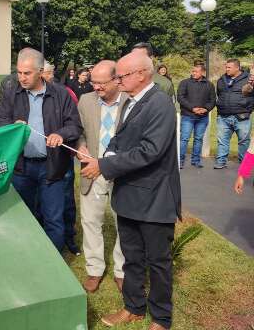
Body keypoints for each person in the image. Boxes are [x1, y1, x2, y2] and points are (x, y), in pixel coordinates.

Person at [80, 52, 181, 330]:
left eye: (122, 75)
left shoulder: (159, 103)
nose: (119, 80)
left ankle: (161, 318)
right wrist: (108, 153)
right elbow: (120, 138)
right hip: (129, 194)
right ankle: (133, 307)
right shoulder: (132, 102)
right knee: (132, 257)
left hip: (154, 197)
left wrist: (105, 164)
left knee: (158, 262)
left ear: (141, 74)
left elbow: (151, 150)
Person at [0, 48, 82, 251]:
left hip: (51, 168)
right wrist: (11, 127)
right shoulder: (11, 93)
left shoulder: (60, 94)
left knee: (53, 219)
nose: (22, 78)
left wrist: (61, 134)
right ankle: (26, 257)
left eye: (27, 73)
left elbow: (75, 126)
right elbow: (1, 121)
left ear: (41, 71)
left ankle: (55, 266)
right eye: (19, 72)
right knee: (24, 216)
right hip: (21, 167)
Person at [76, 60, 127, 294]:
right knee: (90, 221)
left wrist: (105, 164)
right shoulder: (86, 101)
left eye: (100, 83)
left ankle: (122, 271)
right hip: (91, 171)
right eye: (93, 82)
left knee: (124, 223)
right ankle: (95, 270)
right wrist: (82, 146)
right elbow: (79, 131)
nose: (95, 87)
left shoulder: (131, 102)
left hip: (123, 173)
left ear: (117, 80)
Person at [43, 62, 80, 255]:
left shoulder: (66, 93)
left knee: (66, 199)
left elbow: (74, 124)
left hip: (61, 158)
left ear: (49, 74)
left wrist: (63, 136)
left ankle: (69, 237)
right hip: (43, 159)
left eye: (45, 74)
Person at [214, 58, 253, 169]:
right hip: (223, 116)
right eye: (226, 67)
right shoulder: (221, 80)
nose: (227, 69)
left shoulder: (249, 79)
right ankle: (221, 161)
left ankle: (244, 165)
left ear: (237, 67)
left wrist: (248, 108)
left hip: (242, 116)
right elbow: (219, 94)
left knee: (244, 141)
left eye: (229, 67)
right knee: (222, 140)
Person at [177, 63, 216, 168]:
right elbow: (180, 98)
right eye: (192, 71)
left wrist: (205, 109)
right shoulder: (184, 83)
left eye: (196, 71)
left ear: (202, 72)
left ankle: (196, 160)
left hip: (202, 117)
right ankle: (180, 160)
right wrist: (192, 108)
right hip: (188, 116)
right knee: (184, 139)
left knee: (198, 139)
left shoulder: (209, 85)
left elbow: (212, 100)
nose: (193, 73)